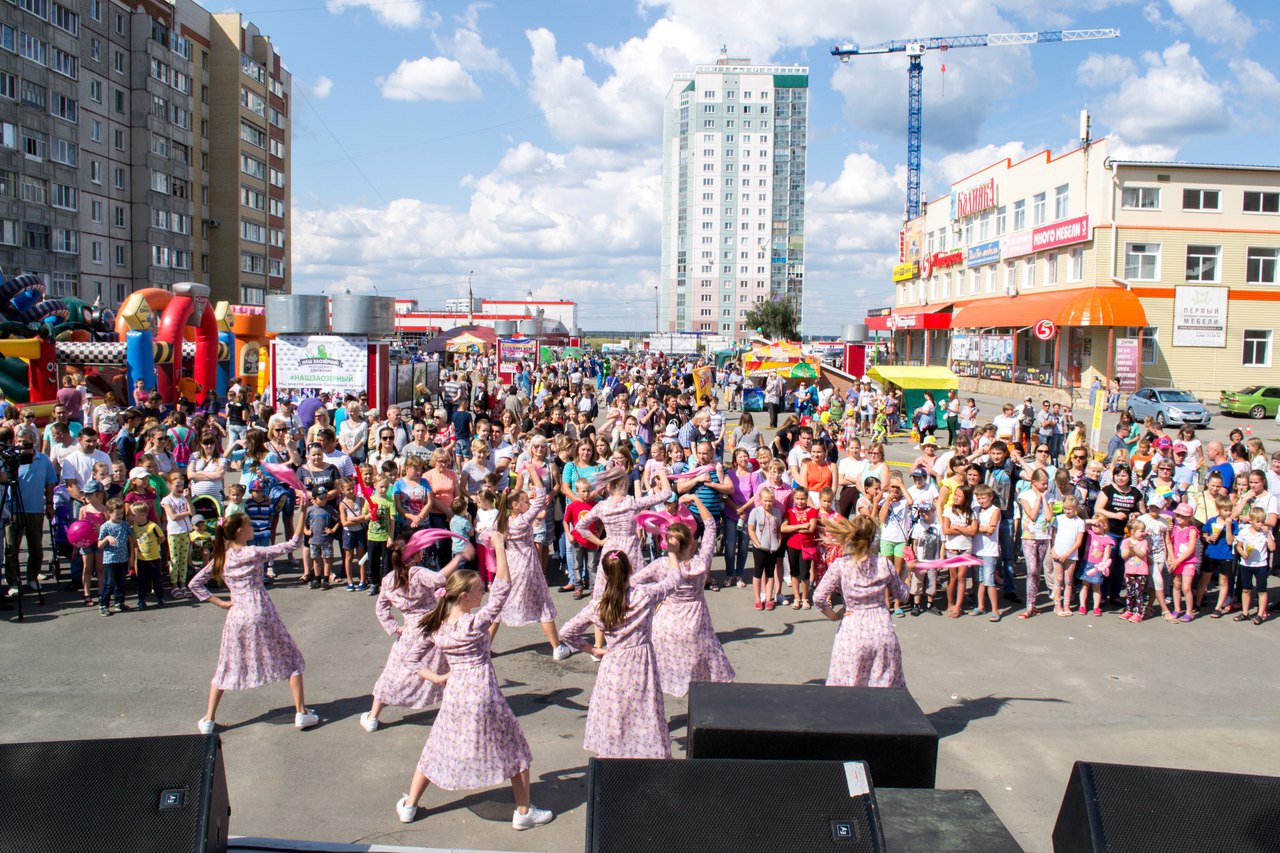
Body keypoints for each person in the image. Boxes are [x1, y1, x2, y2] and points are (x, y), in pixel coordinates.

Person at [394, 532, 554, 831]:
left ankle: (410, 805)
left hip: (455, 693)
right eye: (480, 589)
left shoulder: (436, 625)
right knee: (516, 750)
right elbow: (504, 586)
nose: (484, 592)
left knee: (435, 748)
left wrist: (439, 677)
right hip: (483, 691)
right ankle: (522, 811)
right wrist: (499, 547)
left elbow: (411, 660)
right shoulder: (473, 622)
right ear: (465, 596)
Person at [558, 547, 698, 758]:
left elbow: (566, 632)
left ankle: (611, 765)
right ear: (630, 570)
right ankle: (650, 763)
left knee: (615, 716)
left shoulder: (598, 606)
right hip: (641, 664)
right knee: (645, 714)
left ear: (604, 575)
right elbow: (673, 581)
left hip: (614, 665)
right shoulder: (644, 595)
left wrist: (592, 649)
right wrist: (671, 553)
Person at [191, 497, 315, 734]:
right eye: (248, 526)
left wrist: (220, 602)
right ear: (240, 531)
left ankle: (208, 719)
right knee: (292, 659)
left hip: (236, 612)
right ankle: (301, 713)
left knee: (226, 665)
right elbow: (292, 544)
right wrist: (302, 512)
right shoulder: (253, 552)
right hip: (260, 608)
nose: (253, 528)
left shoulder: (222, 557)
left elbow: (195, 583)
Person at [362, 541, 473, 732]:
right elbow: (439, 578)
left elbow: (381, 608)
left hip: (411, 631)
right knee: (448, 668)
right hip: (434, 626)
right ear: (414, 555)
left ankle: (373, 716)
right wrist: (459, 557)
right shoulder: (418, 574)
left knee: (393, 673)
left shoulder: (389, 579)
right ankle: (459, 713)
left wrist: (395, 628)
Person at [640, 496, 734, 696]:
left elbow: (633, 582)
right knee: (706, 663)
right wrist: (696, 500)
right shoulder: (701, 563)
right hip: (696, 622)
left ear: (666, 543)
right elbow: (710, 527)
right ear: (691, 542)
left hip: (665, 625)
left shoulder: (661, 566)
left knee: (659, 672)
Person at [812, 515, 912, 688]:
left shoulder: (841, 565)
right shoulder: (884, 564)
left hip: (853, 631)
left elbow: (818, 597)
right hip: (882, 630)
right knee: (882, 687)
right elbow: (902, 595)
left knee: (848, 686)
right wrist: (908, 572)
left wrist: (834, 616)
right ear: (873, 538)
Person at [491, 475, 572, 660]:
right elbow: (541, 497)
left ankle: (484, 646)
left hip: (508, 566)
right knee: (543, 604)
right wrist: (533, 473)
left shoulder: (501, 522)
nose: (529, 503)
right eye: (525, 501)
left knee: (496, 606)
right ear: (515, 506)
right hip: (526, 566)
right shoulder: (521, 521)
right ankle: (557, 647)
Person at [1234, 505, 1273, 624]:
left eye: (1263, 521)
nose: (1261, 524)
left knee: (1262, 590)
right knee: (1246, 589)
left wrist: (1268, 535)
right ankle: (1245, 612)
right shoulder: (1244, 532)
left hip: (1261, 565)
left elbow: (1272, 547)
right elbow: (1238, 546)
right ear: (1250, 521)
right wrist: (1243, 553)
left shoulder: (1265, 533)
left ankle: (1260, 614)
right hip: (1246, 564)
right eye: (1258, 522)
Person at [1051, 496, 1086, 617]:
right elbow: (1053, 536)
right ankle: (1057, 605)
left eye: (1070, 509)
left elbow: (1078, 542)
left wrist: (1067, 554)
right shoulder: (1058, 519)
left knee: (1068, 580)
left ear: (1076, 508)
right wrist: (1053, 550)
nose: (1067, 511)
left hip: (1071, 555)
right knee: (1058, 579)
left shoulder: (1079, 522)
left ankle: (1066, 604)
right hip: (1057, 553)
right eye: (1065, 508)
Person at [1078, 515, 1112, 615]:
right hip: (1087, 563)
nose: (1095, 527)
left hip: (1097, 566)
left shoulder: (1107, 539)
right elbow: (1081, 522)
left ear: (1105, 526)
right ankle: (1082, 605)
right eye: (1093, 525)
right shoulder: (1090, 533)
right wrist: (1091, 521)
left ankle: (1096, 607)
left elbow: (1107, 553)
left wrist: (1103, 564)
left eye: (1098, 525)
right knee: (1084, 586)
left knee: (1096, 587)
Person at [1120, 518, 1151, 623]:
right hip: (1129, 570)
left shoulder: (1144, 542)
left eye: (1144, 530)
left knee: (1139, 592)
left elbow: (1142, 554)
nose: (1143, 533)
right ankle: (1129, 610)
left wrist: (1134, 548)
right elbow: (1124, 555)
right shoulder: (1125, 542)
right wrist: (1130, 549)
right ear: (1133, 532)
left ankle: (1138, 612)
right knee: (1130, 592)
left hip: (1141, 571)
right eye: (1141, 531)